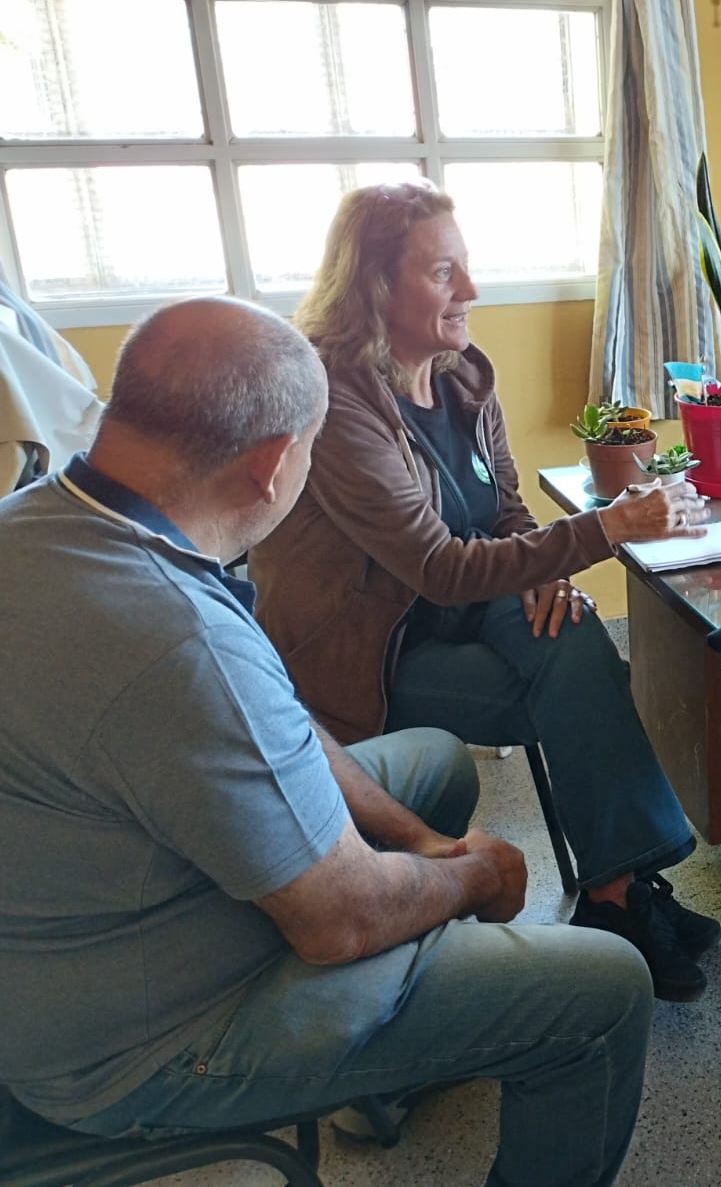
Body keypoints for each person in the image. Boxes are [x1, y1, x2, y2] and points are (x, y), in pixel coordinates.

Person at [0, 298, 653, 1187]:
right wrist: (474, 875)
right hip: (142, 1043)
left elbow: (275, 719)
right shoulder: (177, 640)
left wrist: (422, 843)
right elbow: (337, 919)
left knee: (432, 760)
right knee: (604, 990)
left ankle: (400, 1060)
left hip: (104, 910)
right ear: (273, 467)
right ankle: (410, 1031)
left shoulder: (49, 521)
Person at [250, 180, 720, 1003]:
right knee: (566, 670)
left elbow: (504, 512)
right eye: (442, 273)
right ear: (374, 288)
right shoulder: (336, 401)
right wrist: (606, 528)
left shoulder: (462, 374)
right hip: (369, 658)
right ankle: (623, 890)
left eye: (465, 268)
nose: (470, 291)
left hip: (461, 614)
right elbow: (435, 566)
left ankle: (616, 892)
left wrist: (556, 576)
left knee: (570, 629)